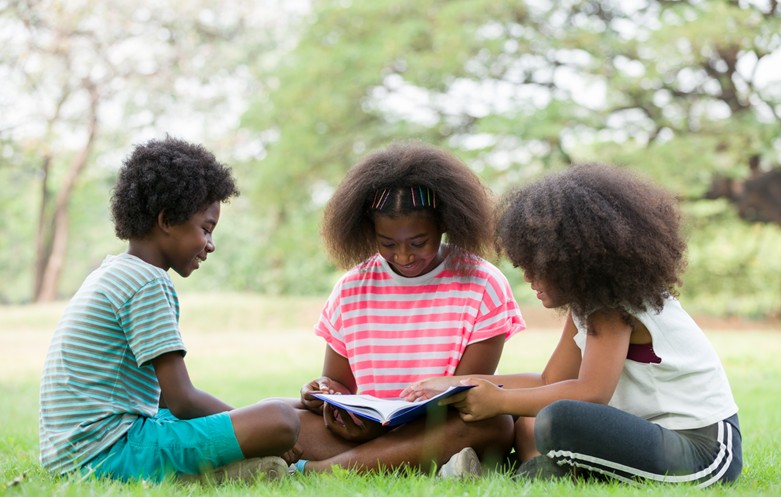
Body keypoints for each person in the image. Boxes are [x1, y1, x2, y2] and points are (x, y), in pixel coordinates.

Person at [403, 164, 742, 487]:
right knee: (536, 413)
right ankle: (524, 469)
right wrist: (461, 383)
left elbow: (591, 394)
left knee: (557, 417)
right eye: (524, 265)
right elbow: (552, 381)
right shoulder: (587, 305)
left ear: (574, 260)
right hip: (648, 435)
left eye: (538, 267)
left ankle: (518, 470)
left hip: (703, 451)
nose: (528, 278)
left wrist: (499, 402)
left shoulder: (612, 306)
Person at [39, 137, 300, 483]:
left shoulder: (114, 271)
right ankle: (197, 477)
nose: (211, 245)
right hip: (107, 453)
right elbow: (182, 400)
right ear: (166, 220)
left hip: (72, 453)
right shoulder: (147, 282)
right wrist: (252, 427)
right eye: (205, 229)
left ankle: (215, 470)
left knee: (279, 407)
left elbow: (160, 399)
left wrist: (239, 424)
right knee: (280, 420)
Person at [289, 140, 526, 476]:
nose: (403, 255)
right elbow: (338, 385)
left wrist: (389, 427)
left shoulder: (483, 283)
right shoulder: (351, 287)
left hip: (442, 427)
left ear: (444, 223)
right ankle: (413, 463)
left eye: (418, 242)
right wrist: (319, 392)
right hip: (364, 431)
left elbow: (468, 391)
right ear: (369, 231)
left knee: (496, 425)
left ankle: (316, 470)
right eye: (388, 243)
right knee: (277, 416)